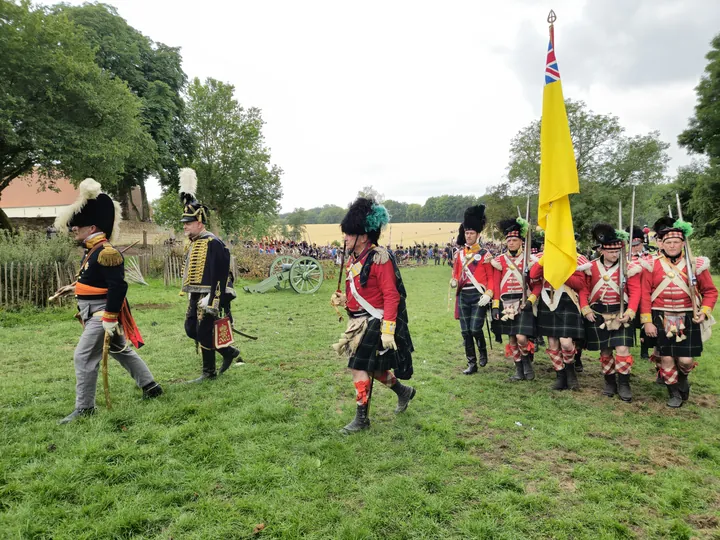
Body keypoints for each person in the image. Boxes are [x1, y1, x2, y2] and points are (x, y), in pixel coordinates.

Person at [54, 179, 162, 424]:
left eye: (78, 227)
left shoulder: (106, 252)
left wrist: (110, 319)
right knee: (121, 351)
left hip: (101, 314)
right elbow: (96, 282)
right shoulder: (92, 251)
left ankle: (85, 409)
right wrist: (72, 289)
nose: (74, 230)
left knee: (83, 357)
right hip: (95, 310)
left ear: (91, 227)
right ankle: (151, 386)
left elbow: (118, 287)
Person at [331, 198, 415, 434]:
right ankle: (404, 392)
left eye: (349, 234)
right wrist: (343, 301)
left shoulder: (381, 257)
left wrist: (388, 328)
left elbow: (391, 295)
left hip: (376, 322)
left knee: (357, 367)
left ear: (364, 236)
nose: (345, 238)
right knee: (375, 369)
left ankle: (361, 419)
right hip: (357, 322)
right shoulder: (354, 260)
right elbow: (357, 292)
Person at [639, 217, 717, 407]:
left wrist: (704, 311)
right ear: (661, 244)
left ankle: (682, 377)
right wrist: (647, 321)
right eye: (668, 242)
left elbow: (710, 291)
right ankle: (673, 392)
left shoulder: (695, 264)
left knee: (685, 360)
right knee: (665, 357)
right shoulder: (651, 264)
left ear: (683, 243)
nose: (672, 246)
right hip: (661, 315)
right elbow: (645, 294)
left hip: (688, 316)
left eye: (676, 242)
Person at [179, 168, 241, 382]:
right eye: (184, 223)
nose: (185, 226)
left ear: (200, 223)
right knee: (190, 329)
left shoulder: (214, 243)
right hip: (195, 294)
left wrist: (213, 298)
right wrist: (190, 292)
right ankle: (228, 352)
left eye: (188, 223)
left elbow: (221, 273)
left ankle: (209, 372)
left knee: (204, 331)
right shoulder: (194, 243)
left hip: (209, 295)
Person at [580, 224, 641, 402]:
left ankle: (624, 383)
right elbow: (584, 290)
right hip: (599, 312)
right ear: (602, 250)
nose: (615, 254)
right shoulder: (590, 267)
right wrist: (585, 308)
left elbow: (636, 291)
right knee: (605, 350)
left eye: (617, 251)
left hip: (620, 310)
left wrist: (630, 312)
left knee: (622, 348)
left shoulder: (628, 267)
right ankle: (609, 381)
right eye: (611, 251)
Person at [529, 247, 588, 391]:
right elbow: (533, 275)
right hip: (548, 300)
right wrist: (545, 261)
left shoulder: (575, 259)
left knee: (566, 343)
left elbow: (580, 284)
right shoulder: (543, 256)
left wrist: (561, 273)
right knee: (552, 342)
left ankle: (570, 371)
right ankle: (560, 375)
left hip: (567, 301)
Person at [491, 218, 537, 381]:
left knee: (521, 337)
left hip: (523, 301)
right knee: (511, 337)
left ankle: (526, 363)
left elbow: (536, 284)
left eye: (514, 240)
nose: (511, 243)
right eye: (509, 240)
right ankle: (518, 369)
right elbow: (496, 284)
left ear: (521, 242)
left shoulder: (529, 260)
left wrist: (531, 299)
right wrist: (496, 305)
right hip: (506, 301)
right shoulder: (499, 261)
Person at [450, 205, 494, 374]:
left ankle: (482, 350)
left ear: (478, 235)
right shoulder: (459, 254)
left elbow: (490, 277)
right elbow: (456, 273)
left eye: (471, 233)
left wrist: (489, 294)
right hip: (463, 295)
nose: (468, 236)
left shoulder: (485, 254)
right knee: (465, 331)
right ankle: (471, 363)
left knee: (476, 329)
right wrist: (454, 280)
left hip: (479, 296)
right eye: (466, 233)